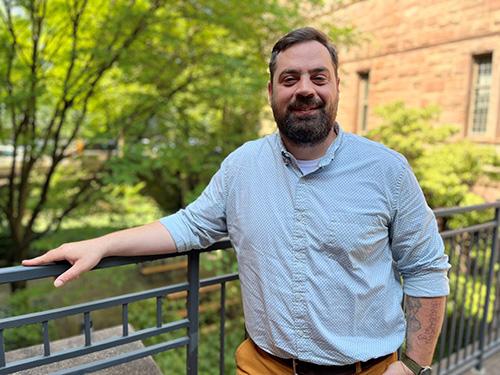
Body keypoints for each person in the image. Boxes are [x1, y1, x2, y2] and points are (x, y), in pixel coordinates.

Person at [24, 27, 450, 375]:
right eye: (290, 79)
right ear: (270, 91)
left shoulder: (388, 170)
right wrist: (102, 244)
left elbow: (425, 268)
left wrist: (413, 365)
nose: (305, 89)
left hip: (369, 370)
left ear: (337, 85)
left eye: (318, 77)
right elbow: (191, 226)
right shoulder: (242, 165)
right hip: (262, 366)